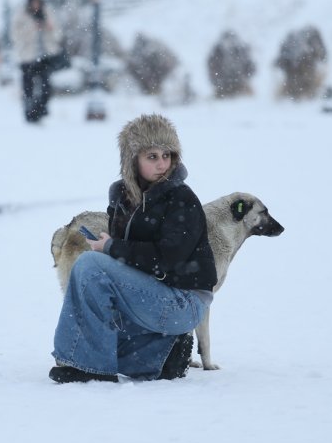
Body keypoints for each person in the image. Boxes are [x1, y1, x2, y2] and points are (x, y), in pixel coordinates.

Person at [49, 114, 218, 383]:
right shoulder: (122, 197)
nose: (162, 164)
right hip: (151, 294)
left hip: (183, 301)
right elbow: (129, 260)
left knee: (89, 265)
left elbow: (168, 258)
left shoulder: (182, 199)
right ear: (132, 159)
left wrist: (113, 248)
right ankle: (163, 354)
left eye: (167, 155)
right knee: (95, 332)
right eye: (152, 156)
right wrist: (109, 250)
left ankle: (89, 367)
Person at [12, 0, 62, 123]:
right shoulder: (21, 15)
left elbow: (57, 33)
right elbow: (16, 36)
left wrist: (49, 27)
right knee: (28, 87)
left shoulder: (47, 13)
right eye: (33, 2)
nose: (36, 5)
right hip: (27, 57)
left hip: (45, 55)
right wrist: (32, 28)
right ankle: (29, 111)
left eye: (38, 2)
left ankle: (42, 109)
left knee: (46, 86)